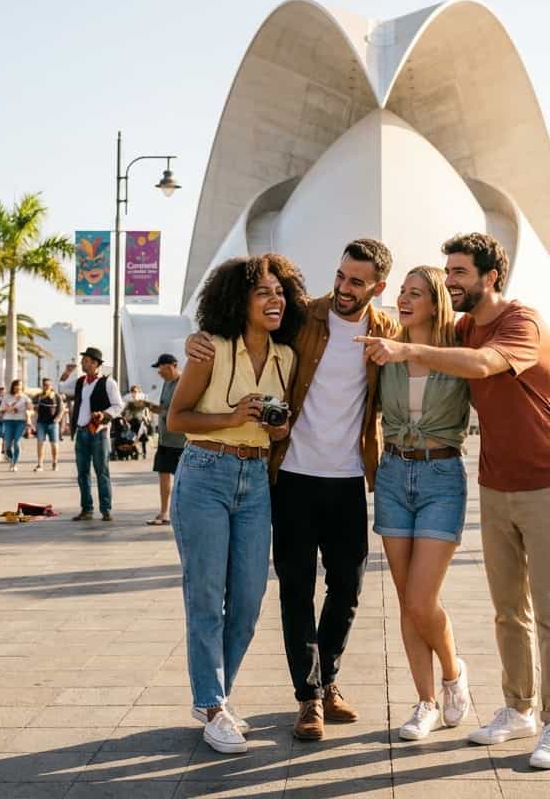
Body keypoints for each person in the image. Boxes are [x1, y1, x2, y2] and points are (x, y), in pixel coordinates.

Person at [358, 233, 550, 770]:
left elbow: (481, 365)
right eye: (448, 272)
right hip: (495, 482)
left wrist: (407, 348)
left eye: (459, 272)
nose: (451, 280)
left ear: (490, 277)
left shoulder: (520, 322)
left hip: (547, 479)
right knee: (509, 609)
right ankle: (518, 708)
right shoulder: (460, 325)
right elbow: (425, 327)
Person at [184, 238, 398, 743]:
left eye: (356, 282)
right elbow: (244, 316)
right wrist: (194, 337)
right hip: (292, 477)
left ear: (378, 288)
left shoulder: (387, 330)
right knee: (296, 589)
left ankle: (328, 681)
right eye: (341, 276)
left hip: (349, 478)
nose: (344, 288)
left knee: (347, 586)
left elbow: (435, 335)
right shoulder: (306, 316)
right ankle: (308, 698)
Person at [167, 254, 303, 755]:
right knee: (205, 596)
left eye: (280, 292)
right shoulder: (211, 350)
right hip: (206, 472)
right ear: (239, 300)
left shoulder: (286, 357)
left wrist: (276, 425)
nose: (275, 300)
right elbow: (176, 419)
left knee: (247, 601)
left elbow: (282, 426)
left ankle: (214, 698)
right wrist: (231, 415)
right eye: (263, 292)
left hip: (256, 477)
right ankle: (213, 704)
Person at [373, 266, 472, 741]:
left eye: (416, 293)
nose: (405, 299)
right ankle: (426, 702)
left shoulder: (458, 353)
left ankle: (453, 674)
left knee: (420, 598)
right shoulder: (383, 351)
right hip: (393, 474)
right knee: (405, 601)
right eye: (402, 292)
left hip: (441, 475)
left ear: (435, 302)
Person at [63, 347, 123, 521]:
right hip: (81, 432)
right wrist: (67, 372)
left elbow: (118, 406)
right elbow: (61, 387)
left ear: (95, 364)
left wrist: (103, 415)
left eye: (86, 360)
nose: (82, 363)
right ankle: (86, 509)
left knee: (101, 471)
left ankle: (106, 510)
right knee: (82, 473)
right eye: (83, 360)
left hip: (99, 432)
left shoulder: (108, 382)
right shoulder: (80, 381)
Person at [147, 354, 186, 526]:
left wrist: (162, 410)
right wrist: (152, 408)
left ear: (172, 366)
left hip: (180, 440)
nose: (159, 372)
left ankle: (182, 512)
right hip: (165, 439)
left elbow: (181, 409)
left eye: (161, 368)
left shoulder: (184, 382)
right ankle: (164, 512)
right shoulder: (167, 383)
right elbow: (166, 409)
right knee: (163, 474)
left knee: (182, 480)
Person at [33, 377, 64, 472]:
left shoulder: (56, 396)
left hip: (53, 423)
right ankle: (40, 464)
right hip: (41, 423)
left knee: (54, 444)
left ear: (51, 386)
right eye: (45, 385)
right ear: (42, 386)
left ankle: (55, 463)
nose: (46, 386)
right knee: (40, 443)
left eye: (48, 385)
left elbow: (61, 409)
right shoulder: (38, 396)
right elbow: (33, 408)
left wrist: (58, 418)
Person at [0, 380, 31, 472]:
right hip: (8, 421)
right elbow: (1, 409)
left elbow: (30, 408)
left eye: (20, 385)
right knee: (8, 445)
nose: (18, 387)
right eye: (16, 385)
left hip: (20, 422)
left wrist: (29, 407)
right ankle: (11, 458)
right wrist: (9, 408)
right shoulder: (7, 397)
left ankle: (14, 463)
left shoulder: (25, 397)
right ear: (13, 386)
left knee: (16, 442)